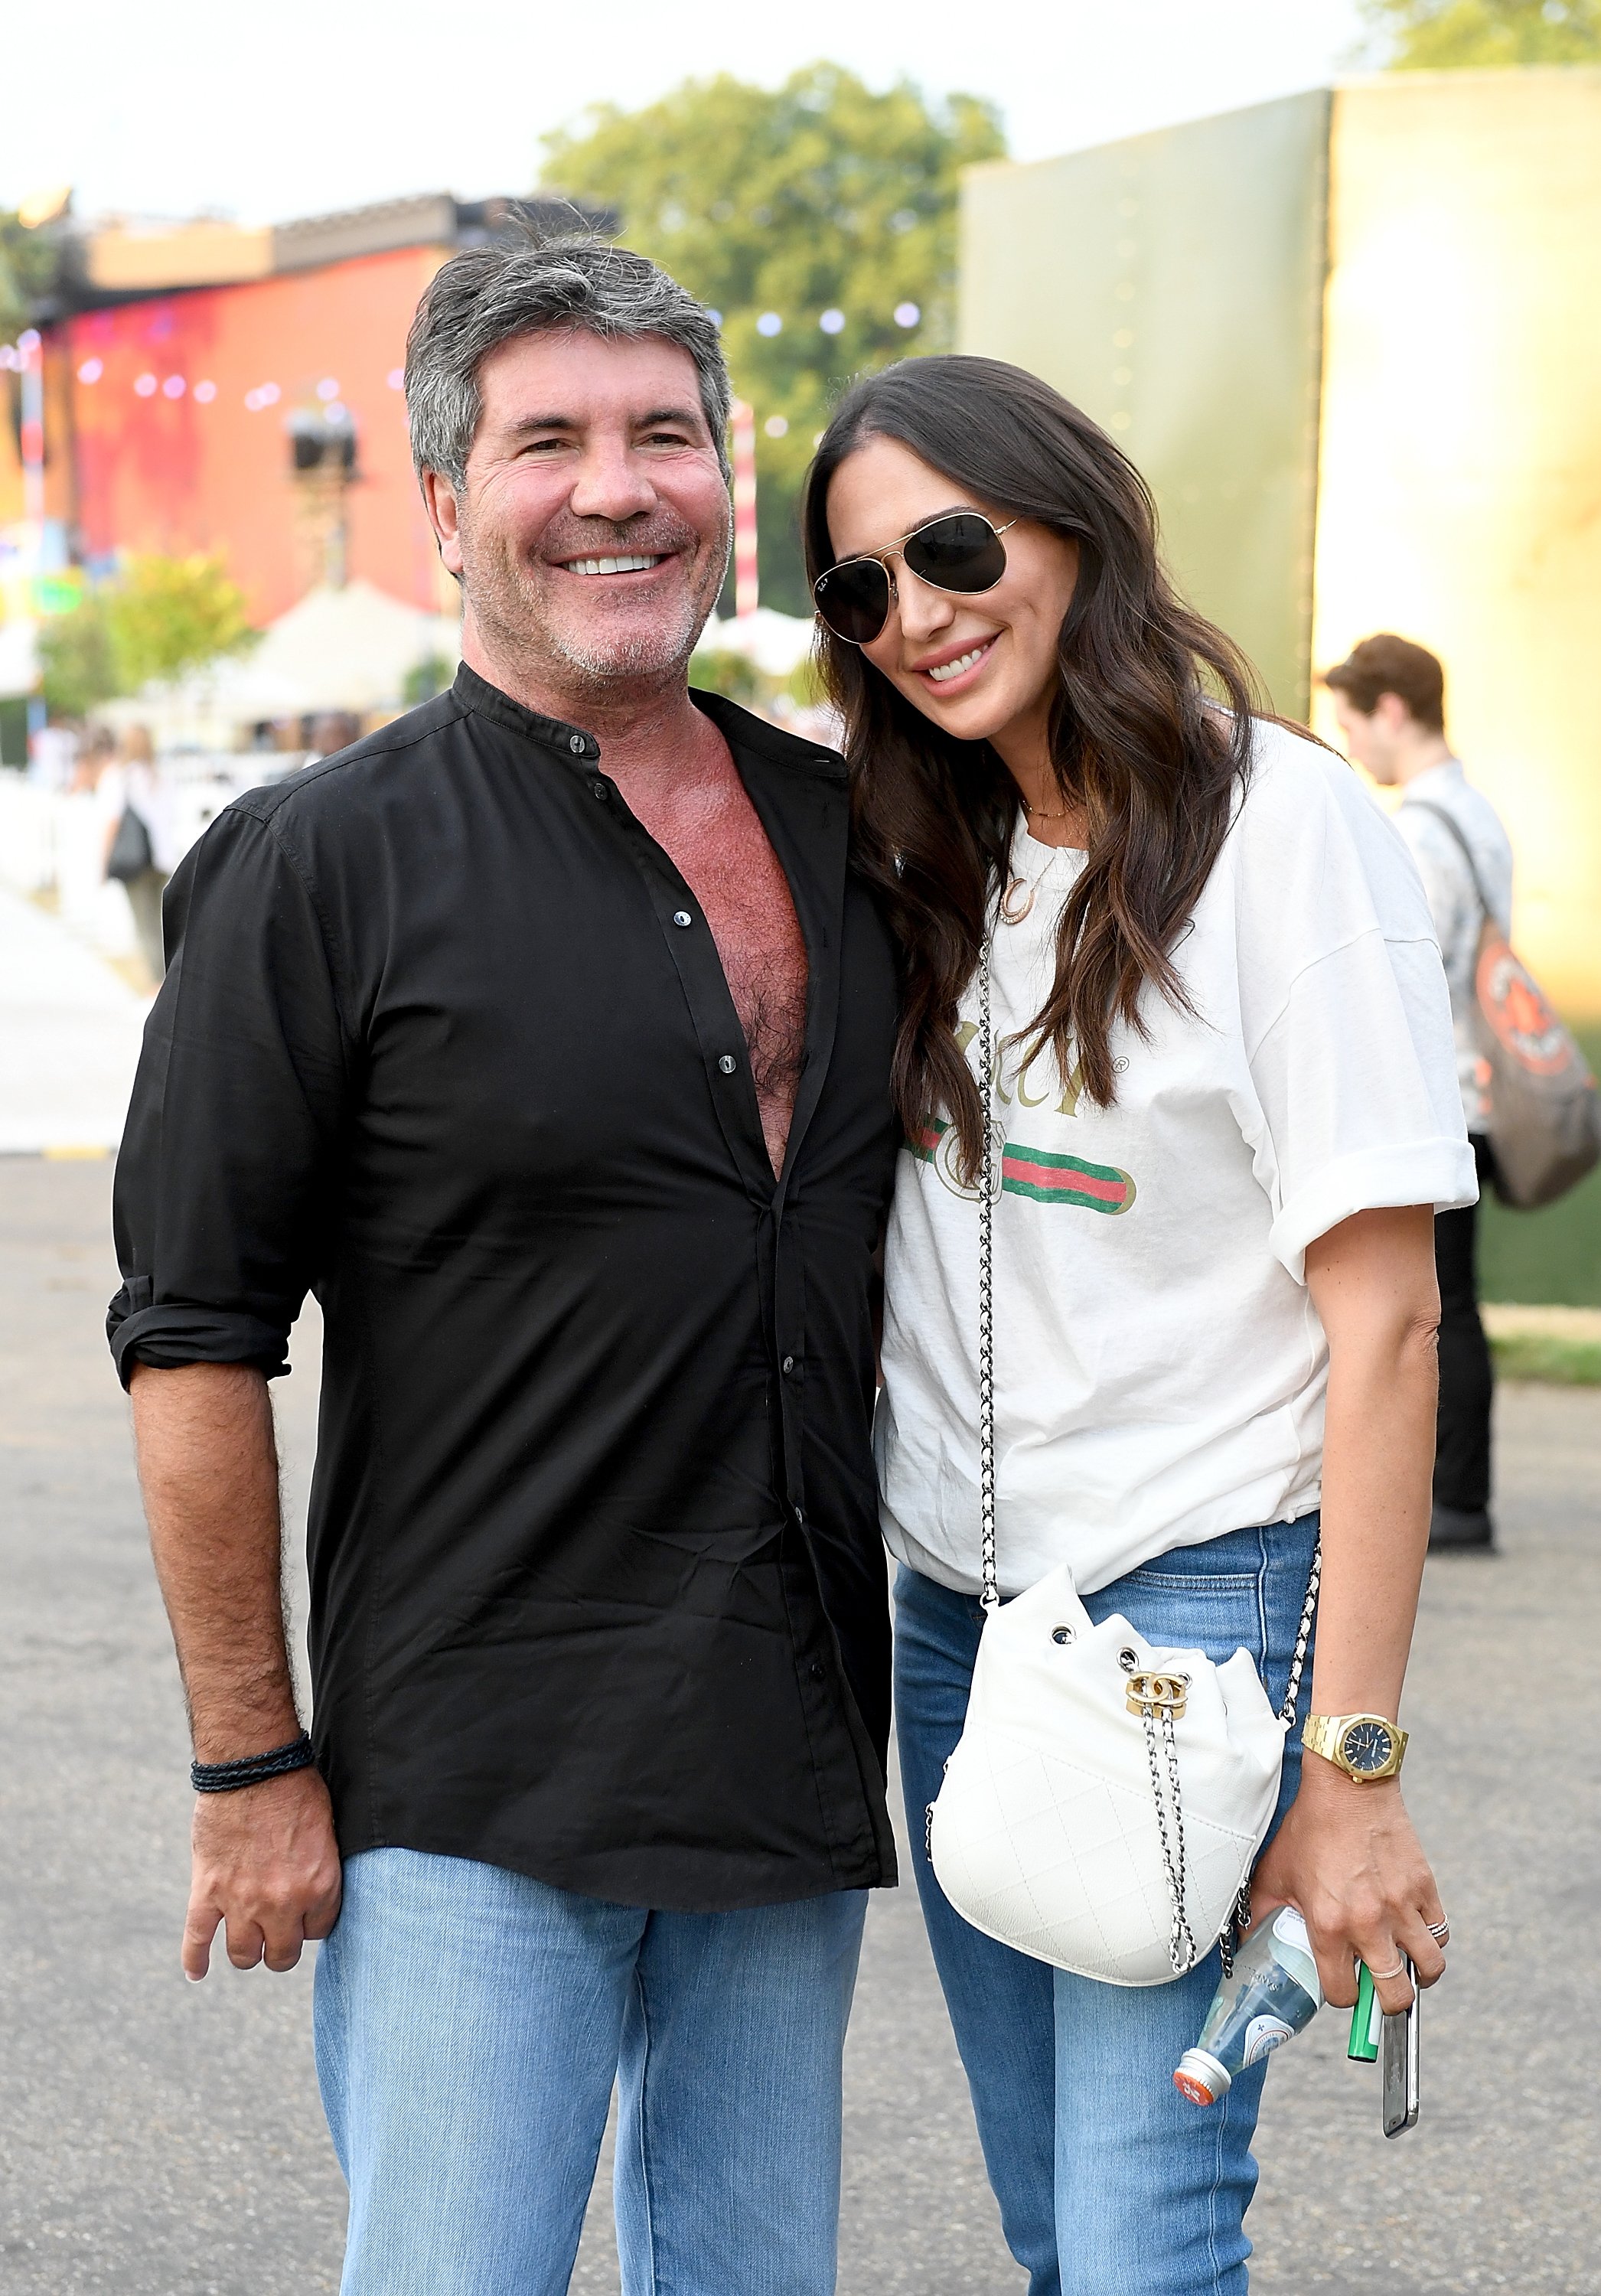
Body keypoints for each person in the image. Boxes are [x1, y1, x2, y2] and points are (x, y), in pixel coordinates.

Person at [108, 235, 902, 2296]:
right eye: (546, 441)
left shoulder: (851, 830)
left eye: (663, 435)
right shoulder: (313, 867)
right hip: (463, 1785)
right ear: (448, 505)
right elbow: (193, 1339)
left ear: (729, 477)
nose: (614, 487)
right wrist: (250, 1763)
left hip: (789, 1747)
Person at [802, 357, 1467, 2296]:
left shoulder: (1284, 831)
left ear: (1069, 515)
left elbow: (1389, 1331)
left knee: (1134, 2236)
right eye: (858, 589)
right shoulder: (940, 848)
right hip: (952, 1617)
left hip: (1184, 1609)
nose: (912, 615)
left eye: (945, 546)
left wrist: (1347, 1767)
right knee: (1053, 2226)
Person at [1324, 634, 1513, 1552]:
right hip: (1472, 1092)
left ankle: (1455, 1498)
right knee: (1455, 1299)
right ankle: (1461, 1493)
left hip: (1435, 1100)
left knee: (1432, 1307)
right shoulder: (1473, 811)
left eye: (1354, 723)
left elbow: (1410, 973)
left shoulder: (1420, 828)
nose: (1354, 744)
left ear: (1391, 711)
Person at [97, 722, 174, 981]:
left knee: (145, 928)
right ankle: (170, 984)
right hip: (163, 860)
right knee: (163, 927)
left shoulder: (121, 777)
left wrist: (103, 862)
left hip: (136, 862)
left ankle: (156, 987)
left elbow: (112, 822)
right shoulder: (161, 776)